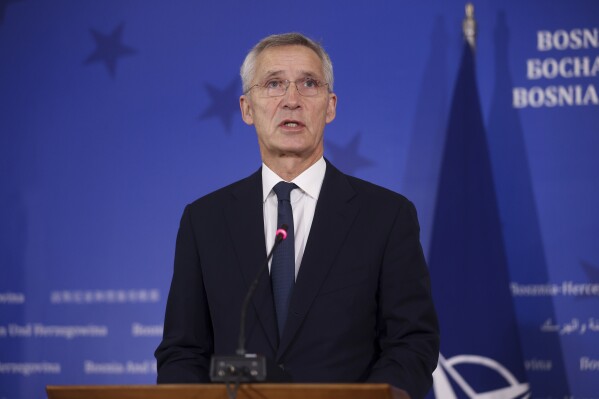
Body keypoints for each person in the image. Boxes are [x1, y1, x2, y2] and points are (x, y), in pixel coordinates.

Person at [155, 32, 439, 399]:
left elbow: (412, 342)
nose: (292, 100)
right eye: (274, 84)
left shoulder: (386, 216)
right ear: (246, 108)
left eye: (308, 83)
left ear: (331, 105)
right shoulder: (204, 221)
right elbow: (182, 351)